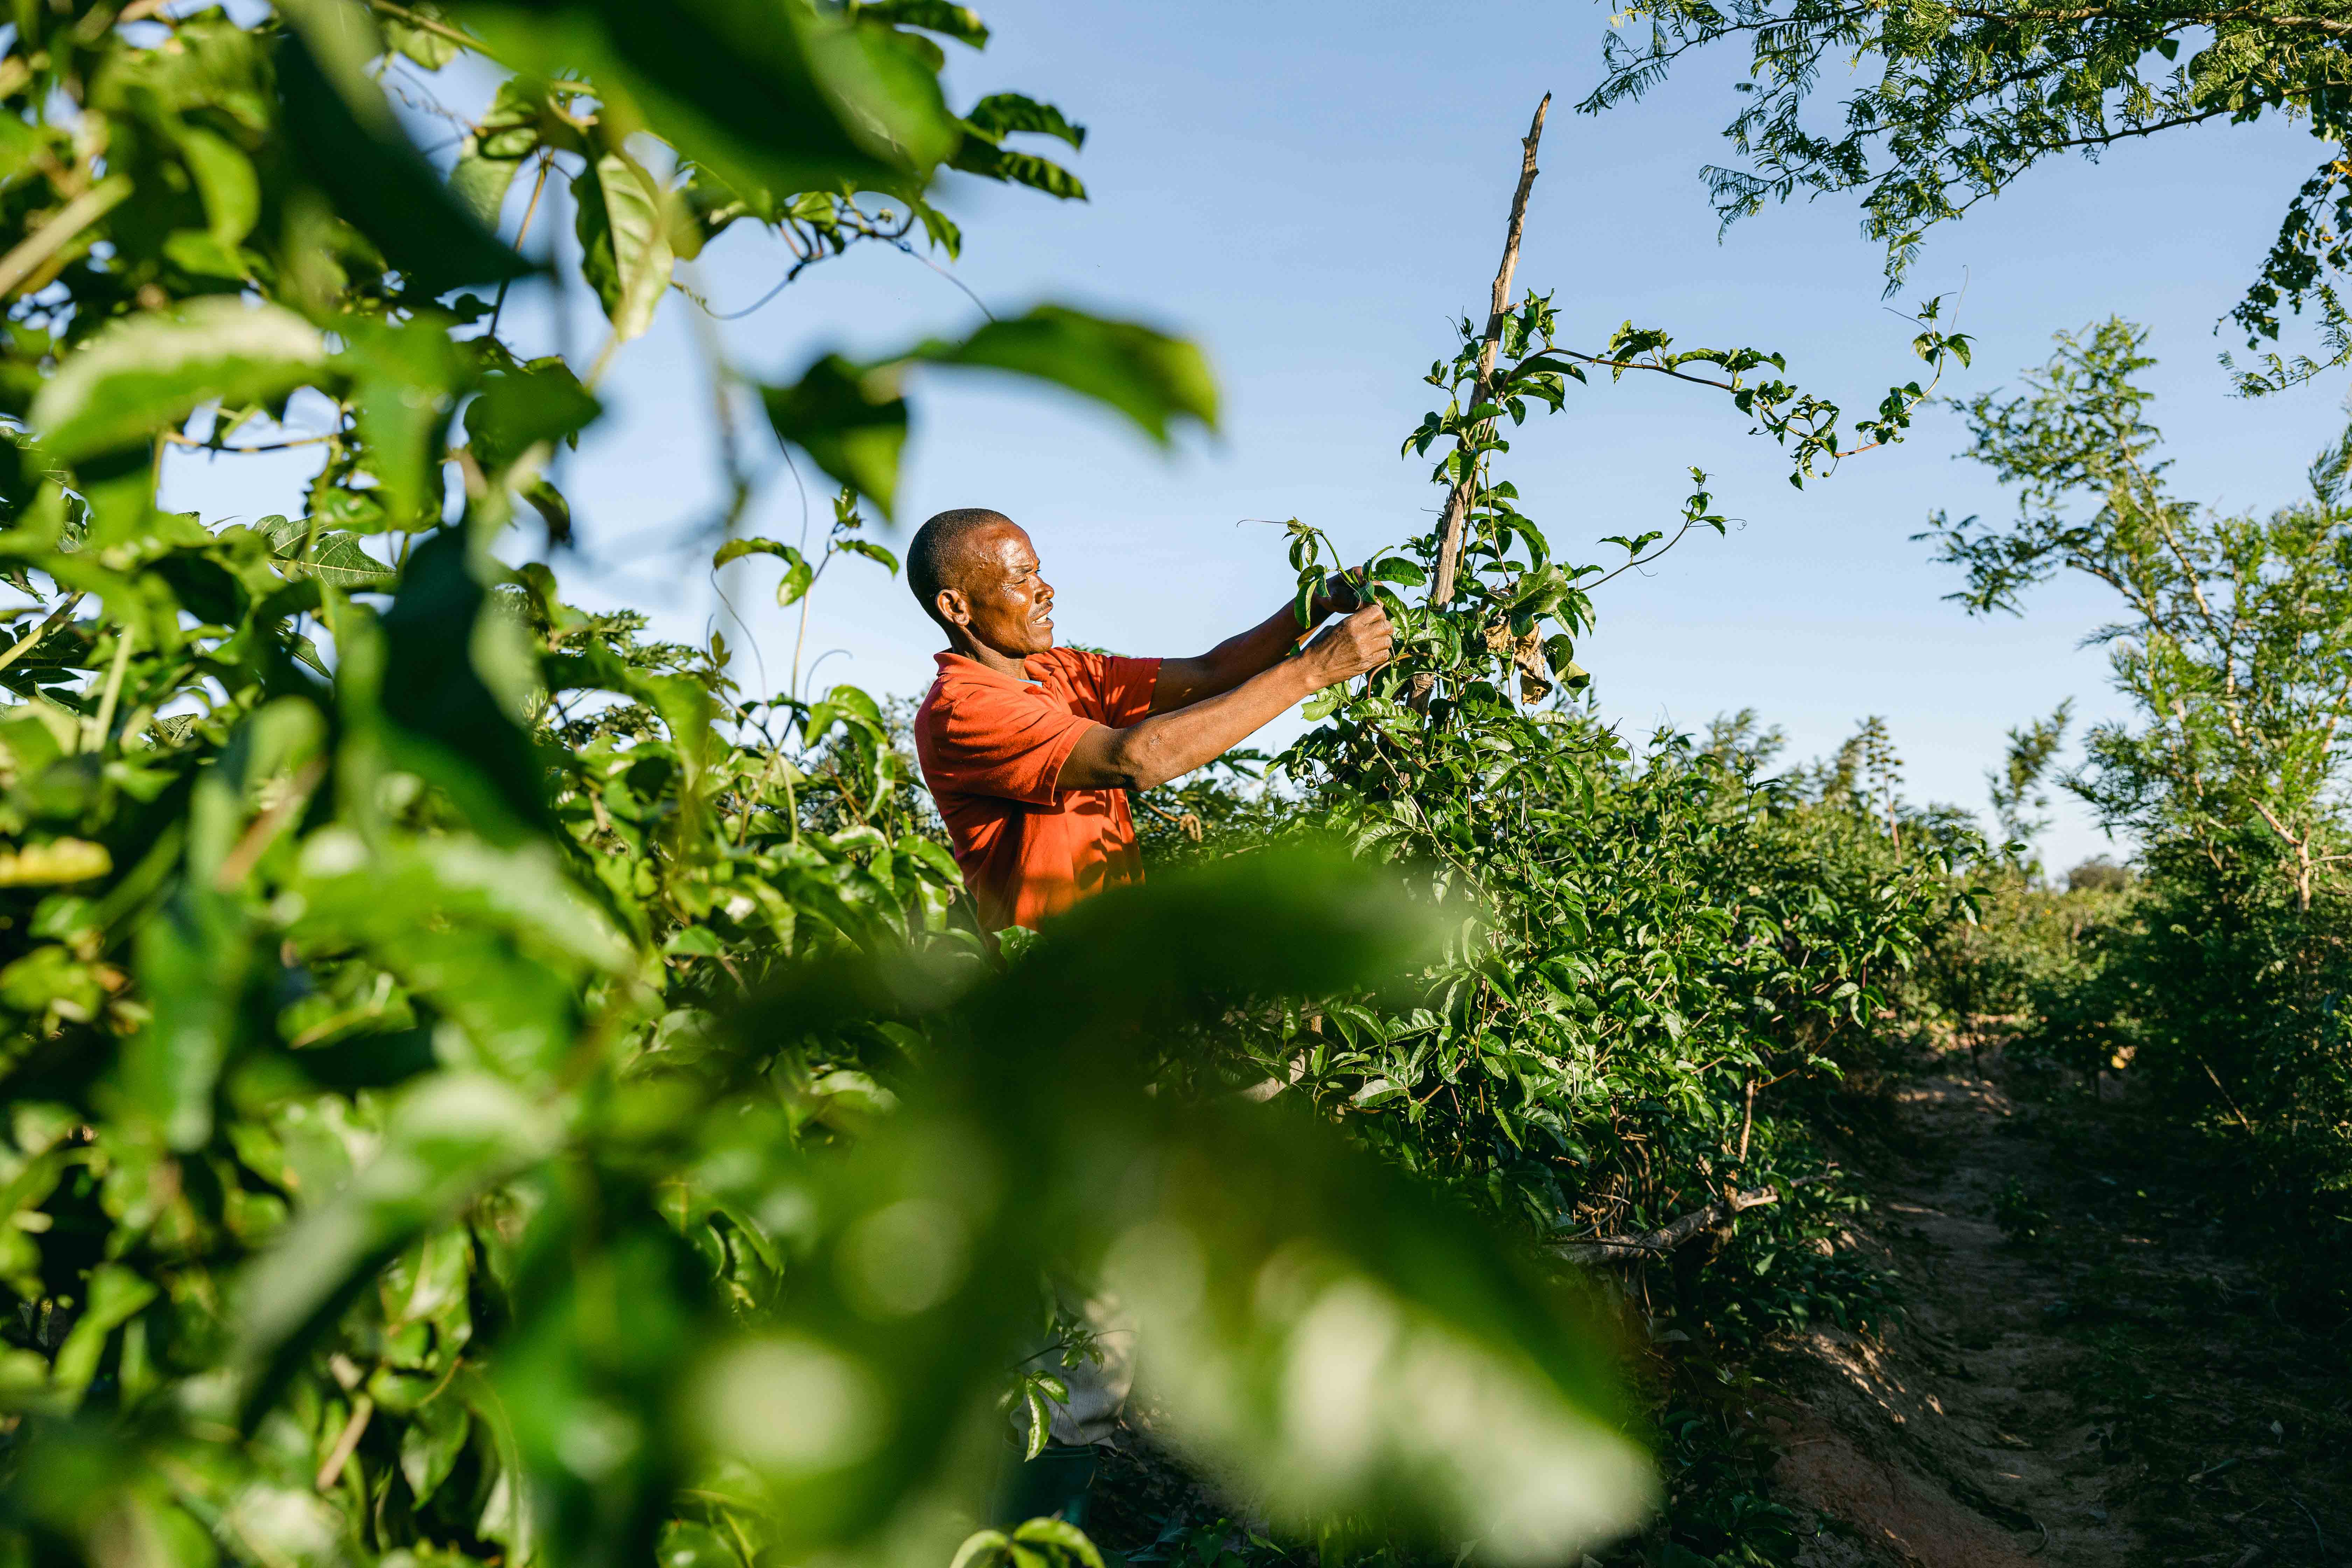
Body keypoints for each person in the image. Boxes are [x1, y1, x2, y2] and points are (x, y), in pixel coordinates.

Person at [908, 506, 1394, 932]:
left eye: (1039, 572)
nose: (1046, 590)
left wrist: (1311, 607)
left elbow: (1212, 672)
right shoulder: (962, 710)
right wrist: (1312, 671)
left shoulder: (1060, 669)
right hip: (1053, 992)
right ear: (957, 607)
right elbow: (1136, 760)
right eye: (1020, 580)